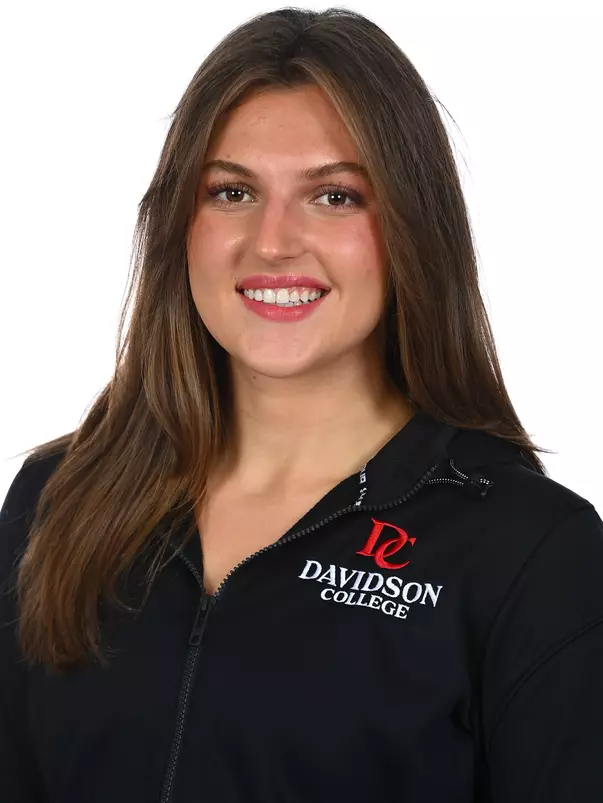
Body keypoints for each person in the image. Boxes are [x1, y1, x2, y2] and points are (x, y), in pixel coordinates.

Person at [1, 6, 602, 802]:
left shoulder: (528, 551)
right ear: (179, 224)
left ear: (413, 230)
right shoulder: (59, 500)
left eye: (335, 197)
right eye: (232, 190)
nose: (273, 240)